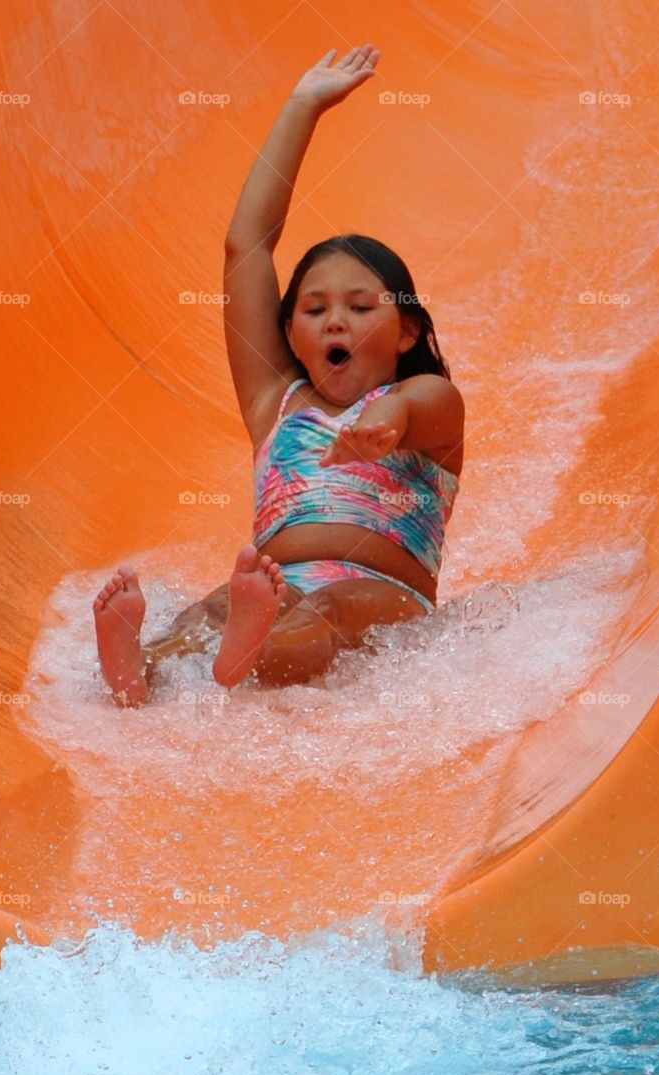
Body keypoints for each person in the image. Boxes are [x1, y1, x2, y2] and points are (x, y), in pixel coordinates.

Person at [93, 43, 464, 707]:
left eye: (360, 307)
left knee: (327, 613)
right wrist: (302, 105)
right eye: (314, 310)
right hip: (275, 580)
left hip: (385, 595)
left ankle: (256, 647)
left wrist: (381, 428)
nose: (334, 323)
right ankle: (137, 668)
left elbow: (416, 411)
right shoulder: (276, 402)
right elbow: (247, 246)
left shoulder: (422, 399)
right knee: (206, 614)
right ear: (288, 331)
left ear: (408, 329)